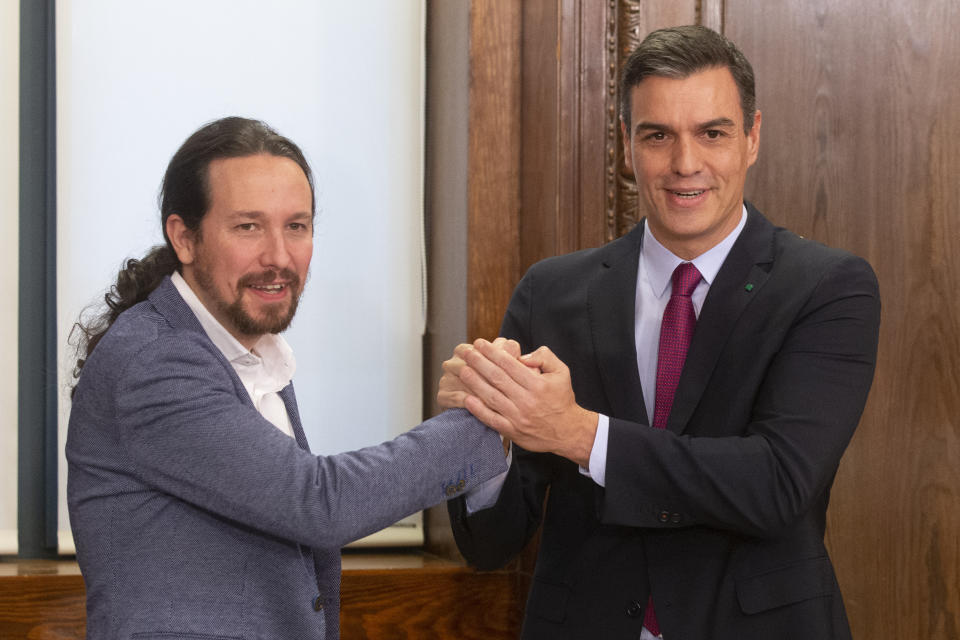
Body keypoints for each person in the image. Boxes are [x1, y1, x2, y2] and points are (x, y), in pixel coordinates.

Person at [440, 25, 881, 639]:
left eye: (713, 133)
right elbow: (491, 543)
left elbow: (778, 484)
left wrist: (578, 433)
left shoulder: (828, 287)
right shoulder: (552, 292)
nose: (685, 164)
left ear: (752, 138)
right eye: (657, 136)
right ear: (626, 144)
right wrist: (489, 432)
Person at [66, 116, 508, 640]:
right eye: (248, 226)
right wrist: (490, 419)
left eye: (296, 226)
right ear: (184, 238)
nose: (279, 257)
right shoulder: (154, 362)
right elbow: (319, 503)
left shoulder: (245, 348)